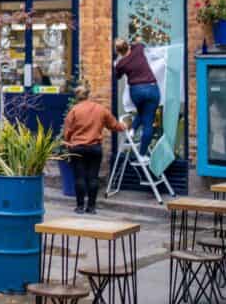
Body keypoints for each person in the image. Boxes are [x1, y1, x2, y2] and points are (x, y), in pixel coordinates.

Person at [62, 86, 126, 214]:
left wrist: (68, 142)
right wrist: (124, 126)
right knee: (93, 178)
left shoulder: (74, 110)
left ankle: (80, 207)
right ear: (88, 95)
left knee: (79, 178)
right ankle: (91, 207)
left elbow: (67, 132)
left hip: (77, 148)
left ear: (76, 97)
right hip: (95, 148)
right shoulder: (100, 109)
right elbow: (114, 125)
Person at [114, 37, 160, 159]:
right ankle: (142, 154)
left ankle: (133, 129)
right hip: (151, 88)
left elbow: (117, 76)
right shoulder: (138, 50)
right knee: (148, 122)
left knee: (142, 112)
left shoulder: (121, 64)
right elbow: (140, 42)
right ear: (127, 45)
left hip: (136, 91)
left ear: (118, 51)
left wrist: (120, 59)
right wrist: (133, 42)